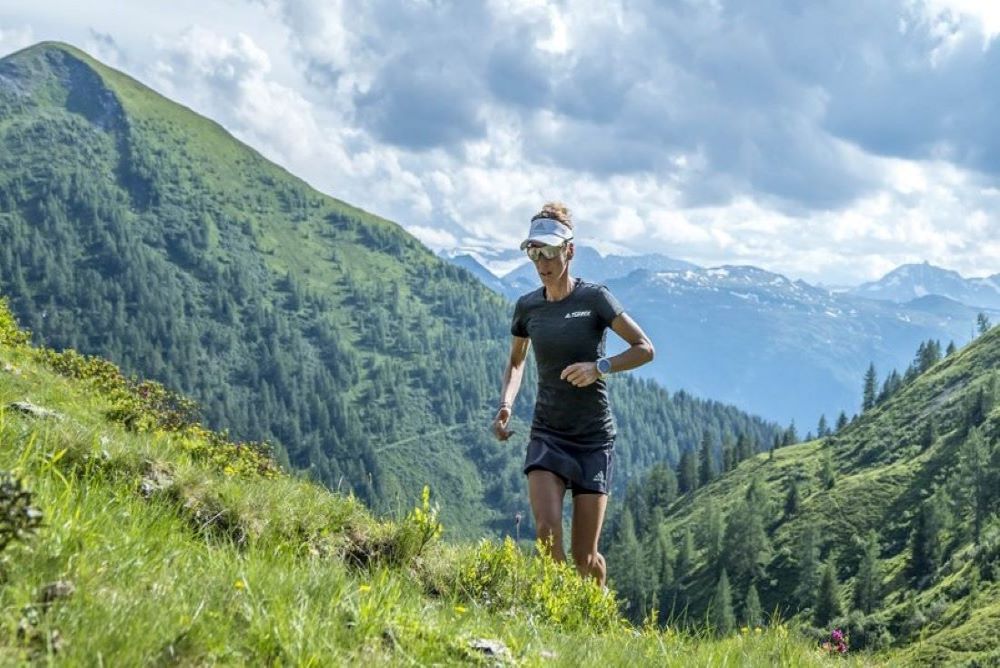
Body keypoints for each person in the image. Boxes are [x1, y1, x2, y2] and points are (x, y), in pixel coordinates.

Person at [492, 202, 655, 587]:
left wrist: (599, 367)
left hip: (594, 440)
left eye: (550, 251)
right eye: (534, 252)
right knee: (547, 535)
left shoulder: (595, 300)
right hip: (548, 434)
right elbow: (517, 362)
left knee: (585, 558)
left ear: (570, 250)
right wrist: (505, 405)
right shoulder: (527, 307)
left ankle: (594, 615)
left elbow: (645, 348)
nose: (542, 261)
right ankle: (558, 619)